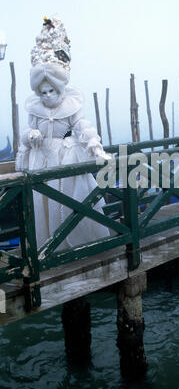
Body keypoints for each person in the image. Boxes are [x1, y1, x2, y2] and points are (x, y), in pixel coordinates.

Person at [16, 16, 111, 250]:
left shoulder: (71, 105)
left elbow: (82, 126)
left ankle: (74, 245)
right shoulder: (34, 107)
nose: (47, 95)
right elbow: (26, 131)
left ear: (59, 88)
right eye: (43, 91)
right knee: (44, 202)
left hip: (67, 158)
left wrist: (94, 145)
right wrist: (31, 136)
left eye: (51, 90)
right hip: (42, 159)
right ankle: (49, 246)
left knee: (70, 201)